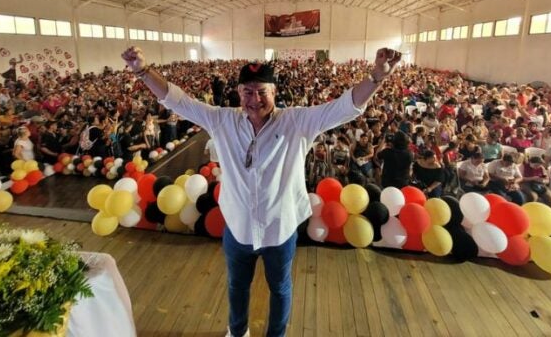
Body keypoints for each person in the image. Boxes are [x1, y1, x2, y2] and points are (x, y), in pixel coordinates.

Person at [122, 45, 402, 337]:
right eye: (247, 92)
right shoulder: (223, 120)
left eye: (262, 92)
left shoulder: (298, 122)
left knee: (280, 289)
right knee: (236, 287)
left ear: (274, 92)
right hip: (238, 229)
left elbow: (345, 107)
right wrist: (142, 70)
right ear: (238, 92)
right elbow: (177, 100)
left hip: (278, 231)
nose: (254, 100)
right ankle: (238, 331)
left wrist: (377, 77)